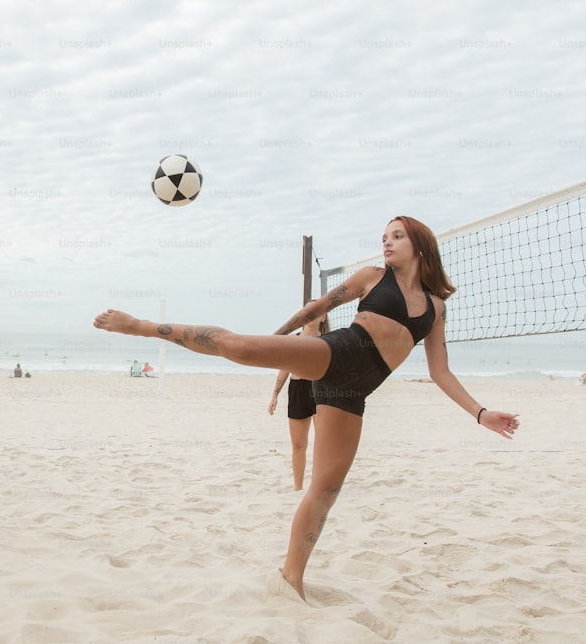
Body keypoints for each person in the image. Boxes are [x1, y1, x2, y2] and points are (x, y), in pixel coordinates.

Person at [94, 216, 519, 601]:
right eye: (383, 237)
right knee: (237, 346)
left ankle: (291, 578)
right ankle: (140, 325)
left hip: (354, 394)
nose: (386, 243)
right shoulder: (371, 277)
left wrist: (481, 414)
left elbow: (440, 372)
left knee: (326, 492)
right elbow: (316, 310)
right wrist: (277, 343)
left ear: (420, 245)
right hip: (338, 354)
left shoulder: (436, 308)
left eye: (396, 236)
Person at [267, 308, 328, 491]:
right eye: (308, 311)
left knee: (322, 443)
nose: (311, 314)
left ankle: (319, 486)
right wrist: (275, 395)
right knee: (298, 445)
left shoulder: (327, 341)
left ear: (323, 317)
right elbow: (284, 368)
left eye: (316, 311)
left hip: (320, 390)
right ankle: (298, 489)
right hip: (298, 390)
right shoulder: (293, 340)